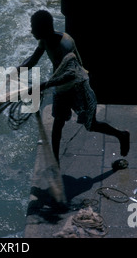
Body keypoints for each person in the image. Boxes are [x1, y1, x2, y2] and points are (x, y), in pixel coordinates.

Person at [18, 10, 130, 165]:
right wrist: (16, 71)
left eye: (34, 28)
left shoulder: (65, 45)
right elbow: (32, 60)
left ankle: (122, 135)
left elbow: (71, 74)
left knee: (91, 125)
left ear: (43, 29)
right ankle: (55, 162)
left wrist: (43, 85)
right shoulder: (45, 40)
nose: (31, 31)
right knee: (58, 123)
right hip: (61, 87)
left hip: (77, 88)